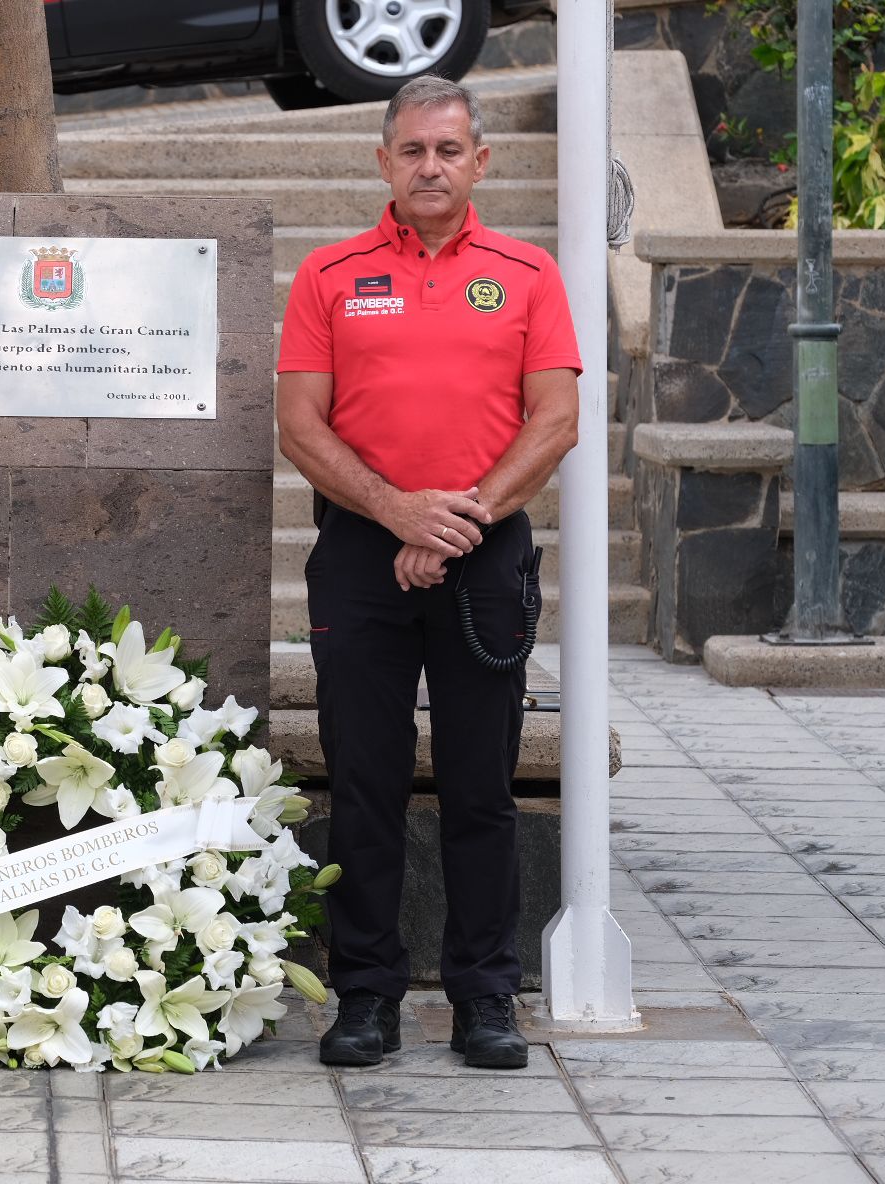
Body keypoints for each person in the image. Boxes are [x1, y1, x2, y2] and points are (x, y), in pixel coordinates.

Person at [276, 76, 581, 1071]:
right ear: (384, 162)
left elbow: (556, 422)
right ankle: (364, 991)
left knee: (480, 783)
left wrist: (450, 521)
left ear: (480, 162)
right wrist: (396, 510)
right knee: (362, 780)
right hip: (363, 550)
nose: (431, 167)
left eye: (449, 150)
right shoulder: (330, 274)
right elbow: (299, 425)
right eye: (413, 150)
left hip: (484, 550)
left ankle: (485, 994)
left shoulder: (529, 272)